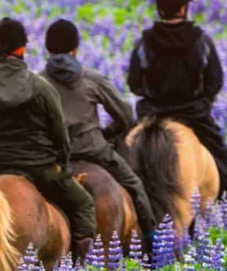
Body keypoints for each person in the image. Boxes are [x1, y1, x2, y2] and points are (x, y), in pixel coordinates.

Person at [0, 18, 97, 260]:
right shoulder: (40, 87)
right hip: (38, 167)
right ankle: (78, 270)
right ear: (22, 49)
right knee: (83, 205)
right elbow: (59, 132)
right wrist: (62, 163)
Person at [40, 19, 157, 244]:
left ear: (47, 49)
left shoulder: (38, 81)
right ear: (75, 49)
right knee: (134, 185)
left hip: (52, 158)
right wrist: (106, 133)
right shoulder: (91, 78)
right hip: (93, 151)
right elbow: (125, 115)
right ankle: (151, 244)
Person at [127, 0, 227, 198]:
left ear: (160, 11)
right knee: (222, 164)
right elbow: (215, 80)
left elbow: (134, 83)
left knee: (121, 159)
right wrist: (202, 100)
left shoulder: (144, 42)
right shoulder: (201, 40)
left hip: (152, 114)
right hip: (193, 114)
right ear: (183, 9)